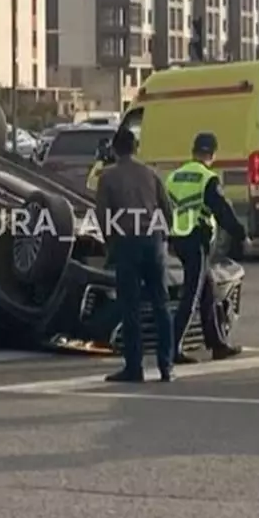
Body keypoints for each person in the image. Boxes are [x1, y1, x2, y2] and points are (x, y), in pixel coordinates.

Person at [94, 127, 175, 383]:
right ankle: (166, 366)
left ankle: (134, 367)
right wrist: (163, 237)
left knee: (130, 307)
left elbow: (103, 216)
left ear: (115, 150)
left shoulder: (107, 177)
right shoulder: (151, 173)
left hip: (127, 243)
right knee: (161, 305)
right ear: (136, 148)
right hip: (153, 243)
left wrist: (110, 246)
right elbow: (167, 209)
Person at [166, 133, 250, 365]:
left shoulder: (174, 176)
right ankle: (172, 348)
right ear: (212, 154)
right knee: (192, 294)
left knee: (207, 291)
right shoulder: (207, 178)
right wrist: (241, 235)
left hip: (178, 238)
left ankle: (217, 344)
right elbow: (223, 211)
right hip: (196, 239)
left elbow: (163, 208)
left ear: (193, 151)